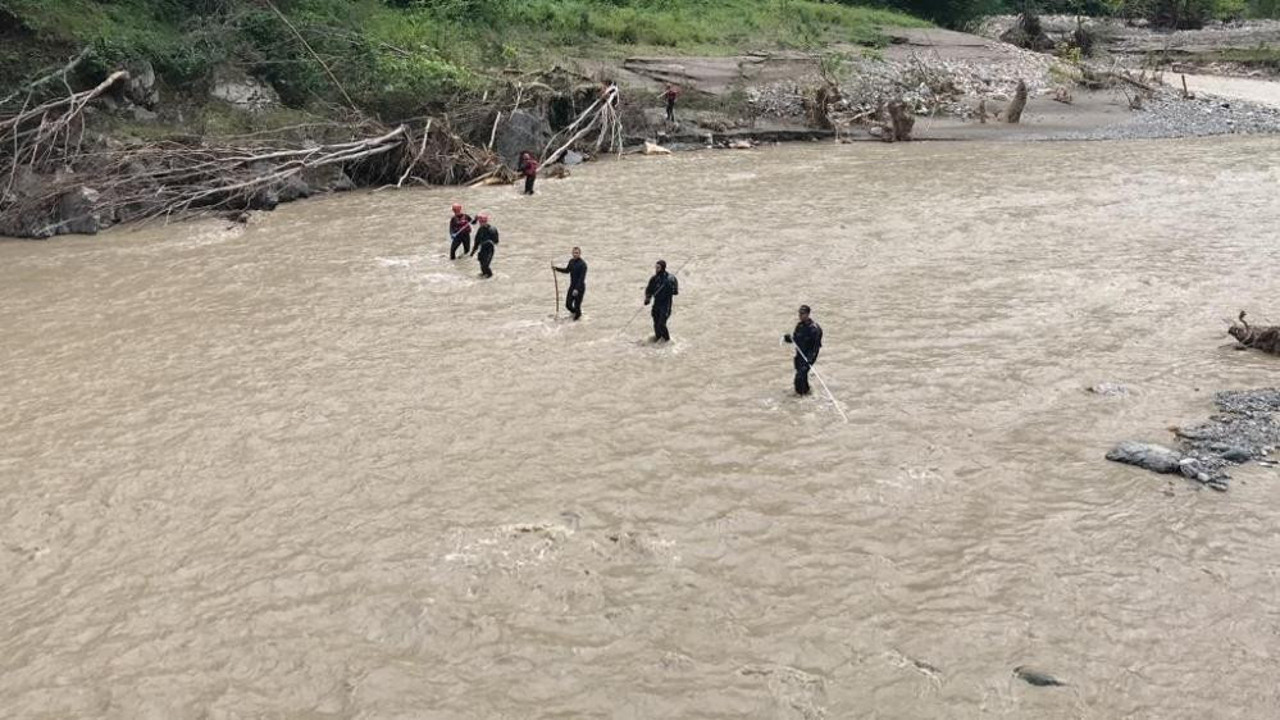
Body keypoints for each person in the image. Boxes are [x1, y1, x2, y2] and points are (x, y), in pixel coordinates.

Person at [783, 305, 823, 396]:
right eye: (799, 313)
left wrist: (810, 359)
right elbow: (795, 340)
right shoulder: (799, 326)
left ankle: (800, 396)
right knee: (802, 376)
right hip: (799, 355)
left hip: (808, 356)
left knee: (799, 377)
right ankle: (806, 392)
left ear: (808, 314)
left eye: (802, 314)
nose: (800, 315)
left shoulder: (814, 329)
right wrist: (789, 339)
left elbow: (816, 347)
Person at [644, 259, 679, 342]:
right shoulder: (654, 279)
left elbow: (675, 292)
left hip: (666, 305)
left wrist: (670, 288)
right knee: (656, 324)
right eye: (656, 267)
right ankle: (658, 339)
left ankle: (667, 341)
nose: (656, 269)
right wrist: (647, 298)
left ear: (663, 268)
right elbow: (649, 290)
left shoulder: (671, 278)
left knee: (662, 324)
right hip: (656, 304)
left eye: (658, 268)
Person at [553, 246, 588, 320]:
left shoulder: (583, 265)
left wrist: (576, 289)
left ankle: (576, 322)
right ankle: (577, 314)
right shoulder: (571, 261)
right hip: (572, 286)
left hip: (580, 288)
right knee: (568, 305)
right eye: (574, 253)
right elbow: (567, 270)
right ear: (572, 253)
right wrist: (556, 269)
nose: (575, 254)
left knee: (576, 305)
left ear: (580, 254)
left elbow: (581, 279)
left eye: (577, 253)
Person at [471, 213, 499, 278]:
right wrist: (472, 252)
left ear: (486, 221)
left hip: (489, 250)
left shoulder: (492, 229)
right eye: (480, 222)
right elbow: (476, 242)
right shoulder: (480, 230)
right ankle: (484, 277)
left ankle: (491, 277)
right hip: (482, 249)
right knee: (482, 266)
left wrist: (489, 241)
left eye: (483, 221)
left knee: (485, 265)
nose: (481, 223)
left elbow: (496, 241)